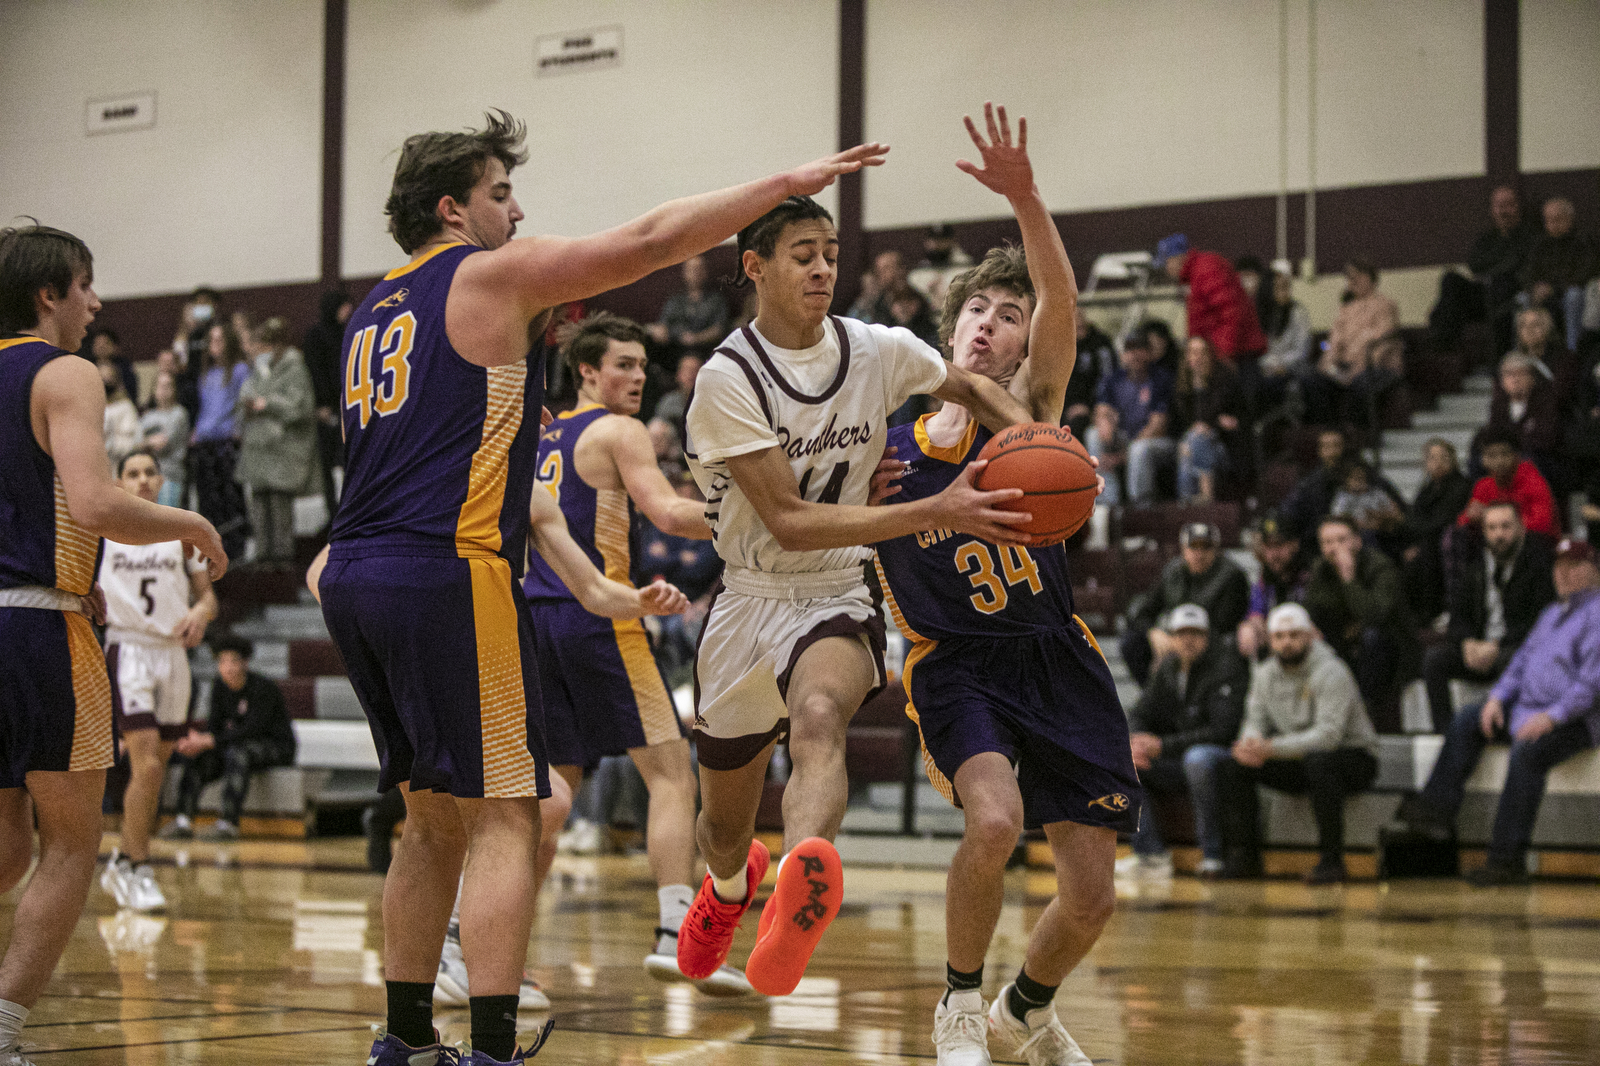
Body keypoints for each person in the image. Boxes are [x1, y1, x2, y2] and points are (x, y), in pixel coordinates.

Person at [316, 108, 892, 1066]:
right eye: (501, 193)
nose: (518, 210)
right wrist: (782, 181)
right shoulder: (486, 274)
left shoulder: (371, 310)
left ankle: (406, 1038)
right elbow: (649, 242)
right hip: (446, 570)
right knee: (507, 815)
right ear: (454, 208)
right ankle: (494, 1047)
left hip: (356, 571)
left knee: (427, 823)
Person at [676, 110, 1034, 1006]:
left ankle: (803, 878)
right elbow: (791, 522)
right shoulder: (729, 377)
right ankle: (730, 886)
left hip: (834, 590)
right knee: (720, 830)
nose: (823, 267)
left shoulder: (877, 348)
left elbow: (970, 385)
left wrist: (1038, 437)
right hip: (749, 593)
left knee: (824, 715)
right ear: (754, 266)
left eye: (831, 251)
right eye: (803, 252)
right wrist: (936, 508)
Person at [868, 106, 1137, 1065]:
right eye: (977, 310)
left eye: (1008, 315)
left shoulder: (1034, 420)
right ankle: (955, 1003)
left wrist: (1025, 199)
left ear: (1027, 343)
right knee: (994, 821)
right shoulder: (884, 439)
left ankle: (1023, 1011)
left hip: (1055, 653)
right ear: (949, 329)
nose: (991, 323)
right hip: (958, 663)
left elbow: (1064, 300)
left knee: (1093, 895)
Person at [0, 223, 226, 1064]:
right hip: (36, 626)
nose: (96, 302)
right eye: (86, 284)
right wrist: (191, 520)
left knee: (5, 846)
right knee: (68, 842)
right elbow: (95, 502)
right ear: (47, 293)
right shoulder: (65, 372)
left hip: (23, 604)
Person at [517, 312, 753, 994]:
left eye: (643, 367)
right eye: (622, 364)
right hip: (600, 614)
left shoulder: (543, 436)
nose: (637, 378)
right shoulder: (617, 431)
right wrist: (760, 508)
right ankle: (675, 928)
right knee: (673, 773)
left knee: (553, 791)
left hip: (533, 619)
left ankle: (495, 955)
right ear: (586, 370)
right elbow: (667, 512)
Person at [1393, 538, 1600, 885]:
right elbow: (1520, 662)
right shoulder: (1552, 613)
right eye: (1558, 567)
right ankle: (1435, 813)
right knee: (1469, 719)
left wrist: (1552, 717)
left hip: (1578, 719)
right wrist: (1497, 697)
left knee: (1527, 754)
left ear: (1594, 569)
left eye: (1574, 566)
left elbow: (1592, 685)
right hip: (1528, 709)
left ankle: (1507, 859)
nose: (1563, 574)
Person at [96, 451, 217, 911]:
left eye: (150, 473)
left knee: (156, 771)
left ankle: (124, 861)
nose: (143, 480)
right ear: (120, 482)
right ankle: (136, 865)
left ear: (161, 481)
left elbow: (209, 600)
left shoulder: (182, 536)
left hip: (173, 656)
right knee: (145, 765)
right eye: (133, 473)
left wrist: (199, 614)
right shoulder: (104, 534)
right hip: (129, 649)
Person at [1210, 603, 1379, 883]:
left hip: (1353, 757)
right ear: (1271, 641)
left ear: (1309, 636)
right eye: (1279, 636)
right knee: (1233, 765)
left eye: (1293, 635)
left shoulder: (1332, 671)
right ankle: (1245, 857)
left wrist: (1271, 748)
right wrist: (1250, 744)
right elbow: (1254, 720)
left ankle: (1332, 861)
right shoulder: (1264, 674)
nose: (1286, 643)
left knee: (1319, 761)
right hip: (1298, 757)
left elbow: (1328, 737)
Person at [1123, 604, 1248, 878]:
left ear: (1207, 636)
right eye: (1181, 633)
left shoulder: (1226, 666)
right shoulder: (1168, 667)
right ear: (1172, 637)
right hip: (1178, 755)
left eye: (1195, 633)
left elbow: (1222, 730)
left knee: (1198, 759)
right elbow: (1139, 712)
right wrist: (1137, 741)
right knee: (1126, 763)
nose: (1188, 639)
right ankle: (1150, 854)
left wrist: (1163, 745)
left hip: (1223, 756)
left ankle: (1213, 853)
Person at [1424, 501, 1554, 734]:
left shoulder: (1539, 562)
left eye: (1505, 527)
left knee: (1512, 660)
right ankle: (1444, 732)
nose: (1499, 535)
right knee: (1435, 660)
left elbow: (1542, 620)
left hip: (1516, 647)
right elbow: (1457, 616)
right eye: (1492, 528)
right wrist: (1467, 642)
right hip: (1481, 648)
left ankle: (1508, 730)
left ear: (1521, 527)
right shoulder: (1477, 566)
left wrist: (1497, 645)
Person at [162, 637, 294, 841]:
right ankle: (183, 821)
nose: (228, 667)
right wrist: (200, 740)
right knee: (200, 756)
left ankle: (228, 824)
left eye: (233, 661)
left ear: (245, 662)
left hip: (276, 747)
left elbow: (253, 729)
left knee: (237, 753)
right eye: (222, 662)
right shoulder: (219, 688)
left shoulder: (263, 687)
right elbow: (214, 727)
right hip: (236, 745)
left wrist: (211, 740)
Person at [1304, 515, 1416, 731]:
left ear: (1357, 541)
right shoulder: (1321, 569)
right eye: (1327, 542)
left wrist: (1348, 579)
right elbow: (1314, 608)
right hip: (1346, 641)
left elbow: (1375, 615)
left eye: (1341, 540)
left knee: (1371, 637)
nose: (1334, 548)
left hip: (1393, 649)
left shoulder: (1381, 567)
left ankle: (1364, 710)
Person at [1120, 522, 1250, 687]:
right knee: (1132, 641)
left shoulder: (1232, 576)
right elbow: (1144, 610)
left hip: (1211, 640)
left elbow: (1224, 625)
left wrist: (1180, 641)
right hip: (1175, 635)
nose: (1199, 554)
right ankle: (1152, 693)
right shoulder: (1172, 572)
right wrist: (1153, 632)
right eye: (1193, 547)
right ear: (1183, 549)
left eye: (1206, 547)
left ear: (1216, 550)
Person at [236, 317, 317, 566]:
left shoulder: (294, 367)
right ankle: (263, 559)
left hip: (283, 451)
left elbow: (301, 407)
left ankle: (283, 562)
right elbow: (245, 398)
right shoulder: (258, 370)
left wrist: (268, 404)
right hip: (258, 450)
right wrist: (248, 405)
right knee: (259, 508)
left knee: (280, 511)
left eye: (263, 346)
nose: (258, 351)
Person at [1429, 184, 1536, 353]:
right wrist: (1500, 265)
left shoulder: (1529, 236)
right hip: (1483, 294)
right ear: (1492, 210)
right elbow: (1475, 264)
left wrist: (1494, 268)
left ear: (1517, 207)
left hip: (1510, 296)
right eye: (1499, 206)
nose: (1504, 211)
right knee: (1451, 280)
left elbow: (1517, 263)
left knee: (1501, 283)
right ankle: (1442, 348)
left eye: (1508, 205)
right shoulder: (1486, 238)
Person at [1303, 258, 1400, 426]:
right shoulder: (1345, 309)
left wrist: (1356, 371)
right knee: (1312, 380)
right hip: (1345, 367)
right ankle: (1330, 432)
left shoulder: (1385, 305)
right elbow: (1333, 343)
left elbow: (1381, 346)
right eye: (1349, 276)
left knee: (1361, 382)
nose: (1352, 280)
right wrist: (1328, 364)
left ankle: (1360, 434)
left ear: (1371, 278)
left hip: (1376, 367)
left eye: (1358, 275)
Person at [1085, 331, 1175, 506]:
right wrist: (1105, 423)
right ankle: (1107, 504)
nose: (1134, 355)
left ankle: (1139, 508)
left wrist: (1122, 455)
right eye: (1130, 350)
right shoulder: (1114, 379)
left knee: (1138, 450)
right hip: (1126, 438)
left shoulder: (1160, 379)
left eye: (1140, 349)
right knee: (1093, 434)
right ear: (1123, 354)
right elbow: (1102, 410)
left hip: (1159, 442)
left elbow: (1158, 426)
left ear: (1149, 353)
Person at [189, 320, 252, 560]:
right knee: (208, 499)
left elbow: (241, 403)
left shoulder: (239, 370)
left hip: (227, 440)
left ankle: (236, 548)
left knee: (230, 497)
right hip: (205, 440)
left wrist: (238, 429)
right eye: (211, 340)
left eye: (219, 339)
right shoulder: (206, 374)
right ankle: (212, 549)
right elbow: (205, 407)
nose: (214, 345)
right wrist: (196, 430)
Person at [1154, 233, 1266, 364]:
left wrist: (1224, 354)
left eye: (1166, 263)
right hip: (1226, 353)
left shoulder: (1206, 269)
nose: (1167, 270)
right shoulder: (1195, 274)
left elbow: (1230, 312)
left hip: (1238, 354)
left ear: (1175, 258)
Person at [1401, 438, 1473, 620]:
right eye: (1432, 458)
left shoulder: (1461, 485)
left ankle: (1429, 613)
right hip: (1425, 539)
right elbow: (1412, 519)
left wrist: (1415, 531)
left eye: (1443, 457)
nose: (1438, 463)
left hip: (1447, 540)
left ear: (1453, 460)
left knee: (1424, 553)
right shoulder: (1427, 489)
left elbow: (1442, 521)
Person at [301, 289, 353, 530]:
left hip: (348, 407)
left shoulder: (348, 333)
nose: (348, 311)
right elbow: (313, 373)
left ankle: (348, 512)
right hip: (325, 410)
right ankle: (333, 515)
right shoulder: (316, 336)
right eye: (344, 306)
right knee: (327, 467)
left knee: (346, 464)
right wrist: (320, 405)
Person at [1173, 335, 1245, 502]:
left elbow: (1231, 423)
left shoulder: (1224, 380)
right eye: (1192, 352)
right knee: (1189, 446)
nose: (1197, 357)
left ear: (1210, 356)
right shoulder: (1182, 387)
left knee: (1196, 439)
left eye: (1202, 353)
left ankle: (1203, 499)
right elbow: (1180, 423)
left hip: (1224, 449)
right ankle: (1188, 504)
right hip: (1190, 447)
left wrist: (1210, 426)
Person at [1520, 198, 1597, 353]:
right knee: (1523, 298)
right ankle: (1527, 352)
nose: (1553, 224)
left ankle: (1572, 351)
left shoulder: (1583, 241)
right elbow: (1528, 272)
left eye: (1558, 219)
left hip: (1572, 293)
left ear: (1569, 219)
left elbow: (1586, 273)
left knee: (1574, 296)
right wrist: (1534, 288)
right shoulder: (1540, 244)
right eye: (1549, 220)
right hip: (1546, 294)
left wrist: (1554, 288)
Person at [1458, 427, 1559, 539]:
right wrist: (1472, 518)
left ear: (1516, 456)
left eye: (1505, 454)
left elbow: (1542, 524)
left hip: (1534, 545)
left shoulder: (1533, 482)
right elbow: (1464, 520)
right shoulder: (1483, 486)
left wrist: (1491, 518)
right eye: (1492, 456)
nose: (1499, 461)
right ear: (1482, 460)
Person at [1237, 513, 1308, 661]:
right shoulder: (1265, 576)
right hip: (1276, 645)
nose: (1273, 554)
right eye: (1268, 547)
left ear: (1294, 544)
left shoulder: (1308, 575)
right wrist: (1251, 623)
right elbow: (1255, 611)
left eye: (1280, 545)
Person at [647, 254, 729, 364]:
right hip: (675, 350)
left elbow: (719, 330)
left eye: (698, 269)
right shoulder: (675, 300)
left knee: (689, 363)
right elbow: (663, 326)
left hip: (704, 351)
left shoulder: (716, 300)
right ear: (684, 273)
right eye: (691, 269)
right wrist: (659, 331)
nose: (695, 273)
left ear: (705, 272)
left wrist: (696, 338)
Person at [139, 369, 190, 508]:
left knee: (168, 523)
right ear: (154, 390)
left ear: (174, 389)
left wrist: (147, 443)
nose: (164, 390)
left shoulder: (179, 414)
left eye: (168, 385)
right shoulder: (147, 417)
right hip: (147, 478)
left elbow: (163, 444)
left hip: (170, 476)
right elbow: (136, 445)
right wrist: (148, 442)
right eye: (160, 386)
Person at [98, 354, 141, 467]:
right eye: (101, 379)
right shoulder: (90, 408)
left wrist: (109, 443)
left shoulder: (125, 407)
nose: (105, 383)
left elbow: (135, 442)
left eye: (108, 379)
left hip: (119, 467)